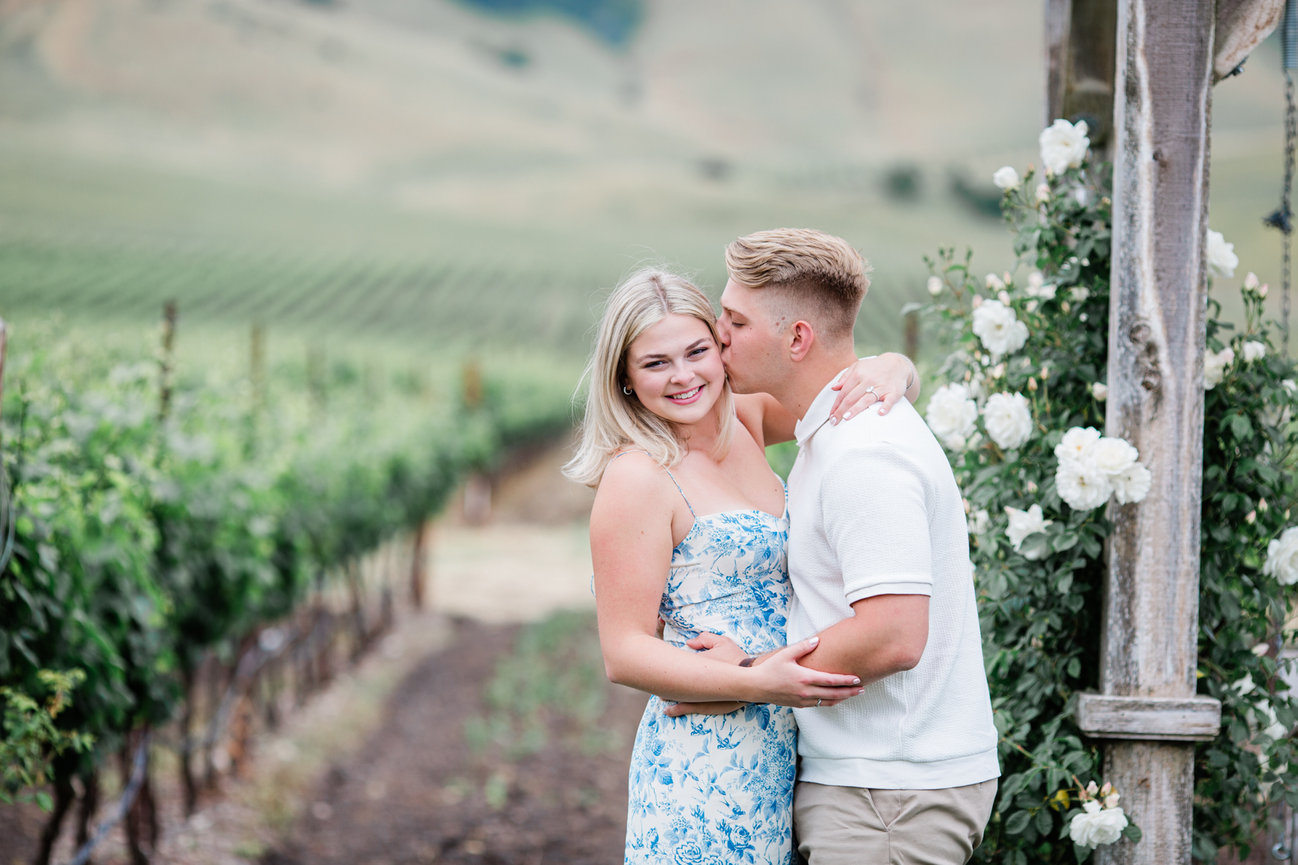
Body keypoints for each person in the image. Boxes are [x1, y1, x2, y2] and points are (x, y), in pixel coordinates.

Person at [562, 267, 920, 865]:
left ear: (720, 348)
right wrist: (756, 682)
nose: (683, 376)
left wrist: (896, 367)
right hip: (703, 757)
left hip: (781, 747)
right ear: (623, 376)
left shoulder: (748, 421)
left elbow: (838, 389)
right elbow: (623, 652)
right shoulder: (638, 477)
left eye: (697, 351)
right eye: (655, 363)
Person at [670, 227, 1000, 864]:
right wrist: (897, 366)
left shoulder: (863, 454)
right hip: (878, 783)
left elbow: (896, 633)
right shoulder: (830, 426)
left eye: (735, 320)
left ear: (797, 338)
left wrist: (750, 674)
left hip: (890, 796)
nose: (718, 335)